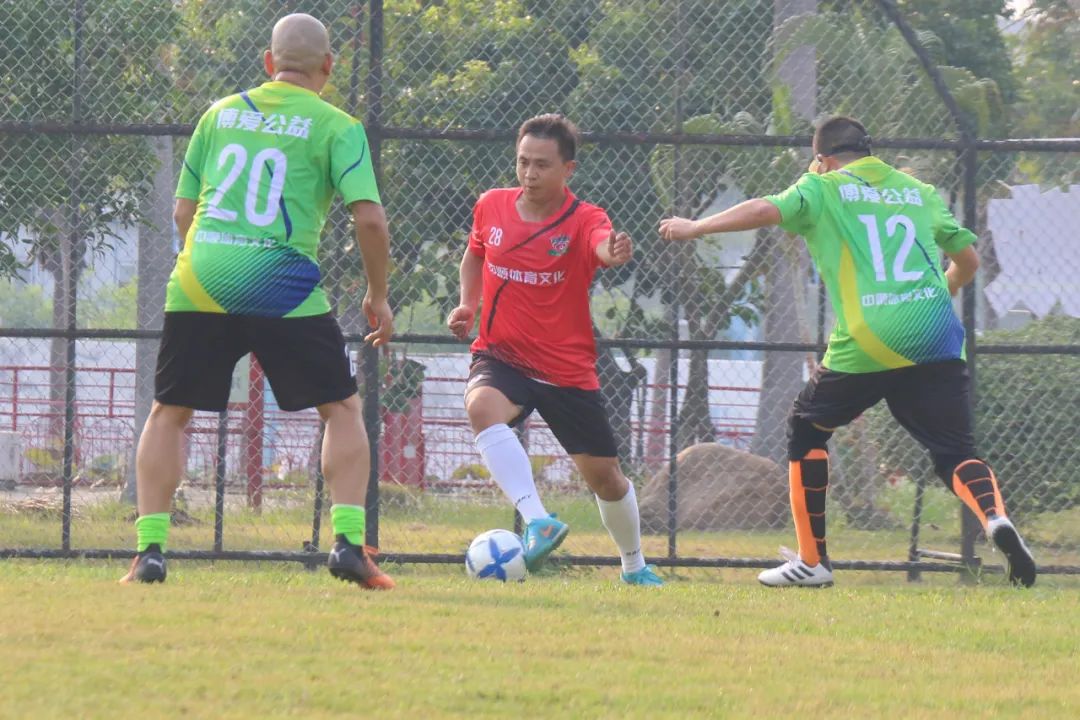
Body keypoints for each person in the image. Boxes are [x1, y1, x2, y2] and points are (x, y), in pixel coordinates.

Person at [659, 115, 1036, 588]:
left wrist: (695, 227)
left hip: (871, 338)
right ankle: (995, 518)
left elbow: (761, 209)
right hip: (935, 333)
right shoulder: (916, 190)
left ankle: (813, 561)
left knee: (806, 429)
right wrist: (938, 292)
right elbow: (969, 260)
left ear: (823, 158)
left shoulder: (823, 186)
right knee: (956, 451)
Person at [121, 13, 394, 589]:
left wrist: (215, 255)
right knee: (341, 409)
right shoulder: (337, 125)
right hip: (281, 284)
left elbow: (182, 211)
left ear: (269, 64)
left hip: (202, 277)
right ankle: (347, 545)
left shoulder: (219, 114)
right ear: (328, 66)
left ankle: (150, 553)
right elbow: (368, 218)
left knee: (169, 412)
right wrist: (378, 294)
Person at [447, 113, 663, 586]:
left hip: (566, 370)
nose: (529, 174)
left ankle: (634, 567)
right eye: (523, 162)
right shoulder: (491, 206)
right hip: (502, 355)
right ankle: (538, 519)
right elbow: (476, 252)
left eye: (542, 165)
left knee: (606, 479)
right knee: (481, 407)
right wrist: (468, 304)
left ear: (568, 169)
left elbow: (601, 245)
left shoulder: (584, 219)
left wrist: (614, 251)